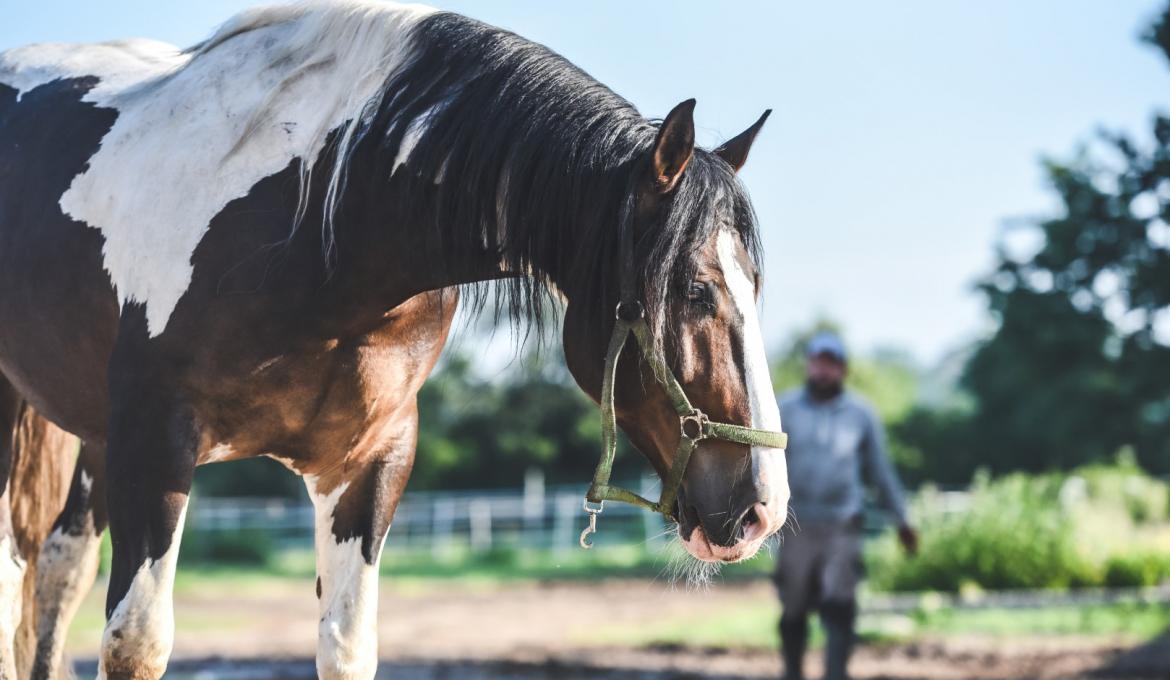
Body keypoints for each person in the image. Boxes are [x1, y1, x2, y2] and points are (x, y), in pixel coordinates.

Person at [774, 331, 918, 680]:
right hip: (795, 523)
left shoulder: (860, 413)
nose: (824, 371)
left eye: (831, 364)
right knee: (793, 604)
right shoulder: (784, 408)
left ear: (843, 369)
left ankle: (836, 673)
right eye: (818, 363)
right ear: (809, 366)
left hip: (842, 523)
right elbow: (763, 465)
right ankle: (792, 671)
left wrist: (902, 519)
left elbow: (880, 470)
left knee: (840, 602)